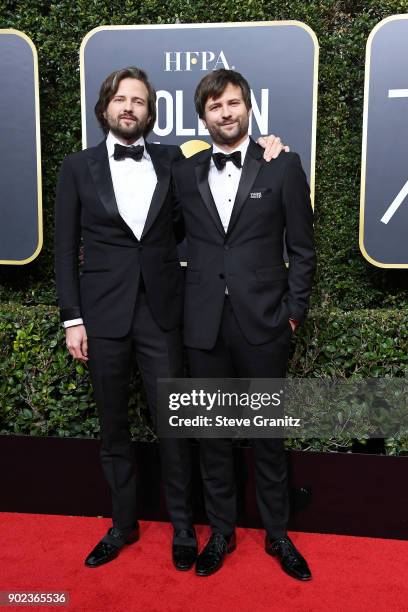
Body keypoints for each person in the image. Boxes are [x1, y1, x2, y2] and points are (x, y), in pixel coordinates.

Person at [54, 66, 287, 569]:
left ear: (150, 113)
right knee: (113, 427)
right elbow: (64, 247)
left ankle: (184, 528)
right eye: (121, 99)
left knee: (176, 425)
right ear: (105, 108)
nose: (129, 108)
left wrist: (271, 145)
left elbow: (231, 166)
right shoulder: (76, 167)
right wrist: (73, 319)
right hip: (102, 315)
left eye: (138, 101)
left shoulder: (176, 163)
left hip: (165, 313)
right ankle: (121, 525)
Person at [172, 69, 316, 580]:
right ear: (203, 116)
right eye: (215, 107)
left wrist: (292, 314)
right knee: (211, 437)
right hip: (204, 326)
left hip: (264, 325)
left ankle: (278, 535)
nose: (226, 113)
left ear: (249, 108)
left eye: (233, 103)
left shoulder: (283, 165)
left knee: (267, 438)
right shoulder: (184, 172)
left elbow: (302, 250)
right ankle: (221, 532)